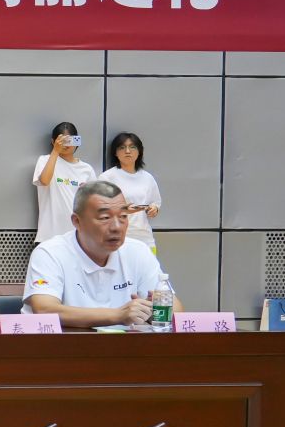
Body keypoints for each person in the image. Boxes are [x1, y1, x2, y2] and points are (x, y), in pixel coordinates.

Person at [24, 180, 173, 327]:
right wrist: (119, 315)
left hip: (123, 342)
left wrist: (153, 311)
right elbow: (45, 310)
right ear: (77, 221)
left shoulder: (138, 251)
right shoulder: (50, 253)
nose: (116, 227)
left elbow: (175, 309)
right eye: (105, 218)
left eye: (123, 216)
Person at [33, 121, 94, 243]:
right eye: (62, 141)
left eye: (70, 140)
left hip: (77, 236)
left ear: (77, 141)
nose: (66, 144)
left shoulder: (86, 169)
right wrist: (55, 151)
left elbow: (94, 201)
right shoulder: (45, 160)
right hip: (49, 236)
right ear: (53, 142)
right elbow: (44, 181)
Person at [99, 132, 162, 250]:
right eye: (122, 147)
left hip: (145, 239)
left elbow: (155, 202)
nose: (127, 151)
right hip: (117, 239)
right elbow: (98, 208)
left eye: (132, 147)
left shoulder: (147, 177)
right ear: (115, 152)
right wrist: (123, 210)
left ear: (139, 151)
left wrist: (154, 209)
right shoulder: (107, 177)